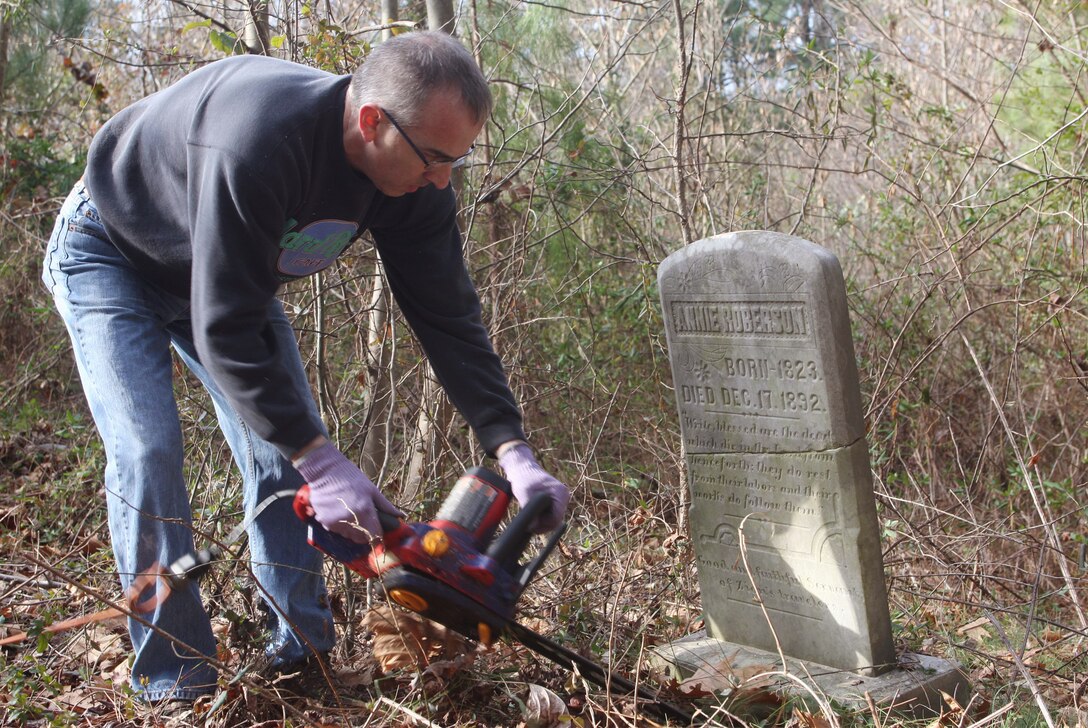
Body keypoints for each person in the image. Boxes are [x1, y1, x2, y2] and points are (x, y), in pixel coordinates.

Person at [41, 30, 570, 705]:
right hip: (113, 252)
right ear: (372, 121)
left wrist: (513, 449)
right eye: (435, 158)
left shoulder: (416, 183)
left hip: (228, 279)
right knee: (148, 450)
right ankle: (177, 683)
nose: (443, 179)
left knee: (284, 460)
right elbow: (224, 327)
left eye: (455, 160)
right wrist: (323, 460)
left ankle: (303, 659)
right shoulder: (258, 143)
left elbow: (450, 320)